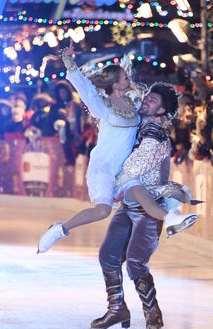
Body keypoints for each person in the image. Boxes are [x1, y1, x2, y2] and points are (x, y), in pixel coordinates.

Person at [37, 42, 196, 254]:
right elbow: (85, 89)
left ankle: (172, 219)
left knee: (140, 192)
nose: (129, 80)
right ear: (116, 84)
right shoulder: (102, 107)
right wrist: (69, 62)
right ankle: (60, 228)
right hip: (103, 167)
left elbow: (154, 111)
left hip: (124, 169)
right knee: (102, 211)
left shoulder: (134, 104)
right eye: (125, 78)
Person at [90, 82, 195, 329]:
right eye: (148, 95)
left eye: (154, 99)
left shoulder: (154, 134)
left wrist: (109, 183)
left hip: (148, 208)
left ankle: (152, 314)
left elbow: (132, 170)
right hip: (128, 205)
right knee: (108, 256)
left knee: (136, 263)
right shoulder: (139, 126)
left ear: (162, 111)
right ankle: (117, 309)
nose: (147, 99)